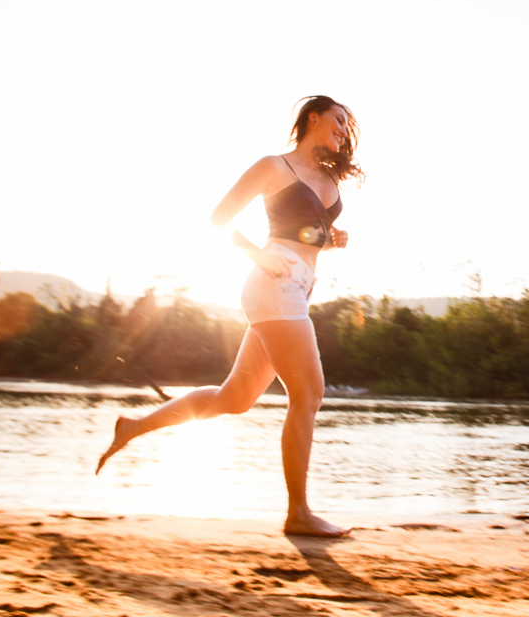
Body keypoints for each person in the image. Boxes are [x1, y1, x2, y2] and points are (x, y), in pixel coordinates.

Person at [95, 95, 362, 537]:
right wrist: (257, 254)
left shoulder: (327, 177)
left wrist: (331, 242)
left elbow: (306, 234)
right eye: (338, 120)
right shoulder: (274, 166)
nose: (343, 130)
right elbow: (218, 219)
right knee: (309, 394)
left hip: (294, 289)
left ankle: (133, 426)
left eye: (347, 125)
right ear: (313, 117)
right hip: (274, 284)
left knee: (234, 398)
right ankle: (299, 513)